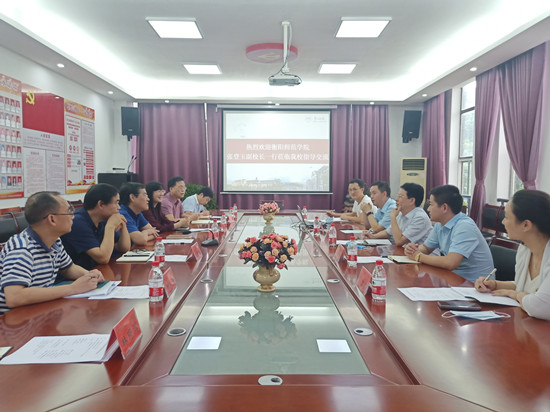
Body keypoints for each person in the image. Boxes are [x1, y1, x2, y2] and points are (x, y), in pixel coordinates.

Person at [0, 191, 104, 314]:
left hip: (38, 311)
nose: (73, 216)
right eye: (69, 211)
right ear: (52, 219)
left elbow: (68, 268)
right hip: (13, 319)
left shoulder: (55, 241)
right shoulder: (22, 249)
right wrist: (72, 288)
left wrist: (89, 276)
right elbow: (14, 297)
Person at [475, 190, 550, 321]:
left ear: (526, 225)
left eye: (507, 217)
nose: (503, 222)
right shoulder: (525, 249)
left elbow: (540, 306)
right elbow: (525, 287)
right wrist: (495, 285)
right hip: (529, 325)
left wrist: (513, 294)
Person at [404, 184, 493, 283]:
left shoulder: (464, 226)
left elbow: (451, 263)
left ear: (444, 208)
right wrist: (413, 250)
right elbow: (426, 248)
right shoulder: (440, 224)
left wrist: (418, 256)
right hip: (454, 280)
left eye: (431, 204)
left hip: (474, 285)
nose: (428, 209)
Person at [61, 184, 131, 269]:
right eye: (116, 203)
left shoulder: (103, 219)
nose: (119, 207)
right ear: (101, 204)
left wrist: (123, 224)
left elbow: (124, 248)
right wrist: (110, 226)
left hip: (96, 271)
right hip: (79, 274)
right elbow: (103, 258)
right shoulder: (77, 222)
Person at [365, 182, 432, 246]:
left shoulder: (420, 218)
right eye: (397, 196)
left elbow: (399, 241)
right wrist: (373, 236)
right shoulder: (401, 213)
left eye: (400, 197)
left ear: (411, 200)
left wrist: (393, 217)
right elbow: (388, 232)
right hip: (406, 252)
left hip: (422, 254)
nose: (396, 199)